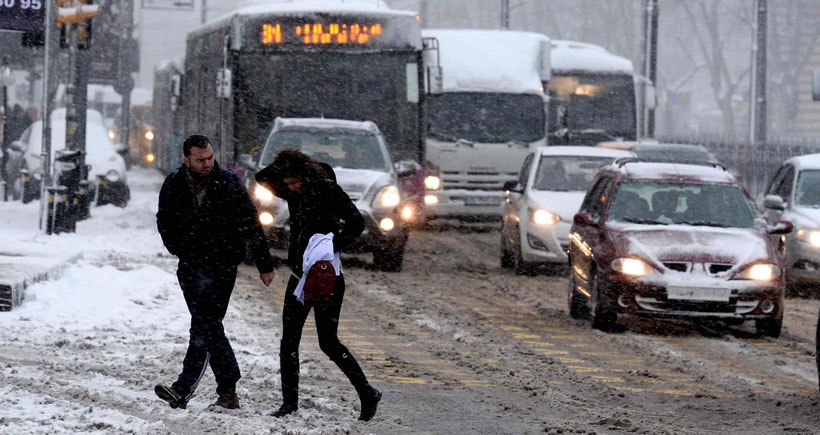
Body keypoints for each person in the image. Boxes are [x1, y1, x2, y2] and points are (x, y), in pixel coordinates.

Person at [254, 149, 382, 421]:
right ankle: (289, 404)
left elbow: (357, 223)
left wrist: (329, 247)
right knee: (289, 340)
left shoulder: (328, 190)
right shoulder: (293, 194)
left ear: (307, 176)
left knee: (328, 342)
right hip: (299, 276)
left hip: (326, 277)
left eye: (295, 182)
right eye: (288, 183)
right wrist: (286, 160)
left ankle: (367, 392)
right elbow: (262, 177)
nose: (290, 187)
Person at [155, 134, 275, 410]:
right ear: (186, 160)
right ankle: (228, 388)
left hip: (221, 266)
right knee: (209, 327)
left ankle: (183, 388)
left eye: (210, 158)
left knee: (203, 326)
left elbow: (251, 221)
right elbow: (164, 220)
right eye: (200, 160)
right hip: (189, 265)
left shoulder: (228, 183)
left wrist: (264, 264)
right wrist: (178, 248)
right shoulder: (174, 183)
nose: (207, 164)